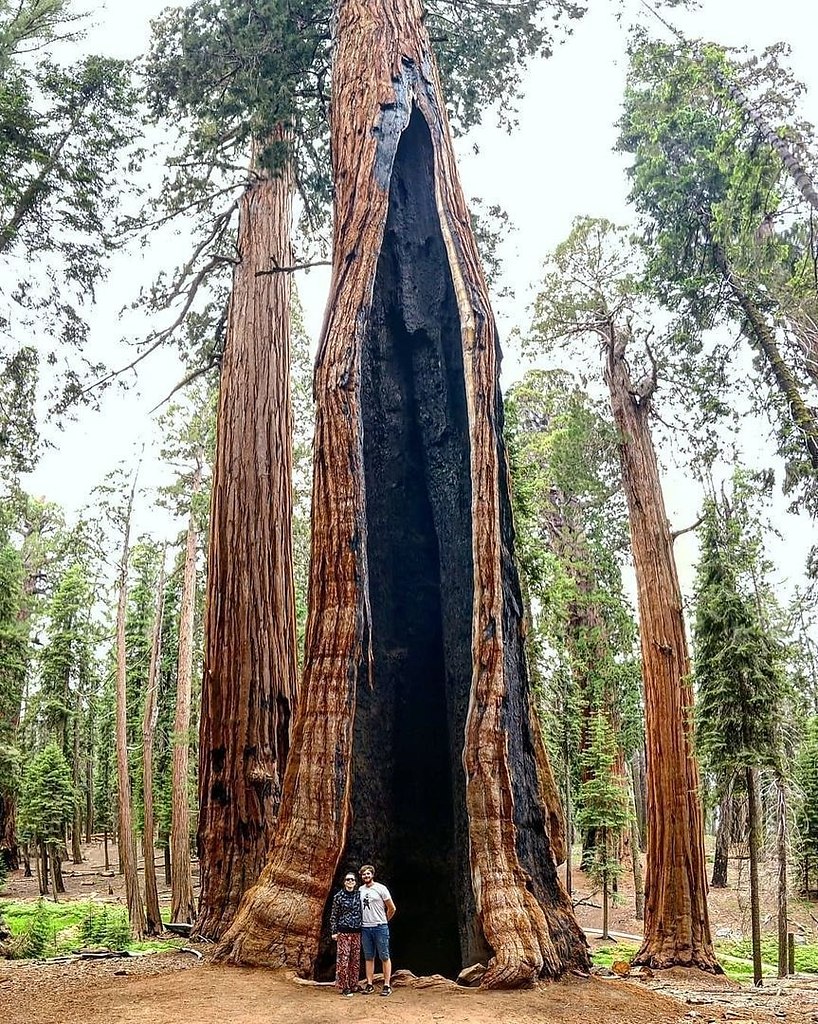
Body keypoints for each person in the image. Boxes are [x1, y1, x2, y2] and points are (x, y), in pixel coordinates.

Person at [359, 863, 396, 997]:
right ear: (361, 876)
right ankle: (369, 984)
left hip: (380, 927)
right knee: (369, 957)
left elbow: (392, 908)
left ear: (372, 875)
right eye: (363, 874)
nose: (366, 876)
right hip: (365, 927)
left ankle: (386, 985)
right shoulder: (360, 890)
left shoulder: (381, 888)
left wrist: (385, 921)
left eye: (368, 873)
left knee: (384, 956)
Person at [330, 871, 363, 996]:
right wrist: (334, 931)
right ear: (344, 882)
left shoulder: (359, 895)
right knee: (343, 959)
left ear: (355, 882)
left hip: (356, 932)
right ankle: (344, 986)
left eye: (352, 880)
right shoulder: (339, 896)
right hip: (343, 931)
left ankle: (353, 984)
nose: (350, 882)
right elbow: (334, 915)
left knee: (355, 959)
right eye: (348, 880)